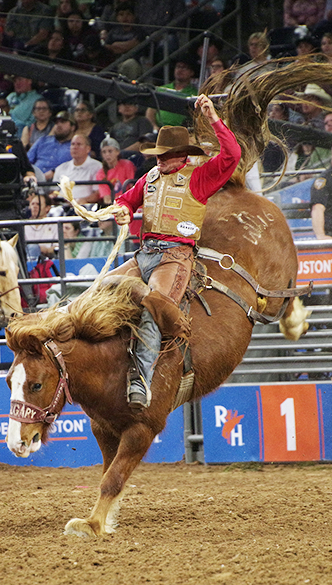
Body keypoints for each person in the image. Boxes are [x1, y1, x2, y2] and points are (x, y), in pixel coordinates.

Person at [109, 94, 241, 410]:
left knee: (154, 308)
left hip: (175, 256)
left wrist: (212, 118)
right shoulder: (150, 177)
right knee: (101, 290)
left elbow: (232, 155)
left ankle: (140, 382)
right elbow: (125, 200)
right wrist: (123, 210)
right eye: (157, 154)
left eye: (165, 155)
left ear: (182, 155)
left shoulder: (200, 175)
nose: (159, 159)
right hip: (145, 254)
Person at [145, 55, 197, 131]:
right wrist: (154, 127)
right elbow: (150, 111)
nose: (180, 70)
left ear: (192, 72)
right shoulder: (162, 89)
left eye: (184, 67)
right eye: (178, 67)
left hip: (182, 132)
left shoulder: (195, 94)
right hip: (159, 130)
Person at [52, 133, 103, 204]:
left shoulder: (97, 167)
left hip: (85, 206)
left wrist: (83, 200)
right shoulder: (61, 168)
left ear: (88, 149)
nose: (75, 147)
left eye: (79, 144)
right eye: (73, 144)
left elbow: (98, 193)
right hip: (61, 206)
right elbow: (54, 191)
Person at [28, 110, 75, 180]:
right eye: (56, 122)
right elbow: (27, 161)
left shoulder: (76, 145)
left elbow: (80, 167)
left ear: (72, 127)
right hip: (35, 178)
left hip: (60, 181)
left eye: (63, 122)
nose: (58, 125)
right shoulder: (43, 140)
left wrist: (54, 173)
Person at [95, 136, 136, 204]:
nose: (107, 154)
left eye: (110, 151)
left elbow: (132, 188)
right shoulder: (100, 173)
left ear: (117, 152)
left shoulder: (127, 165)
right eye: (104, 152)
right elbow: (106, 198)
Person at [24, 192, 58, 260]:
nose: (35, 206)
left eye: (38, 204)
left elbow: (57, 248)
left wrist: (44, 250)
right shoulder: (24, 225)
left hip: (48, 260)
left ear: (47, 208)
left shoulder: (54, 224)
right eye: (32, 204)